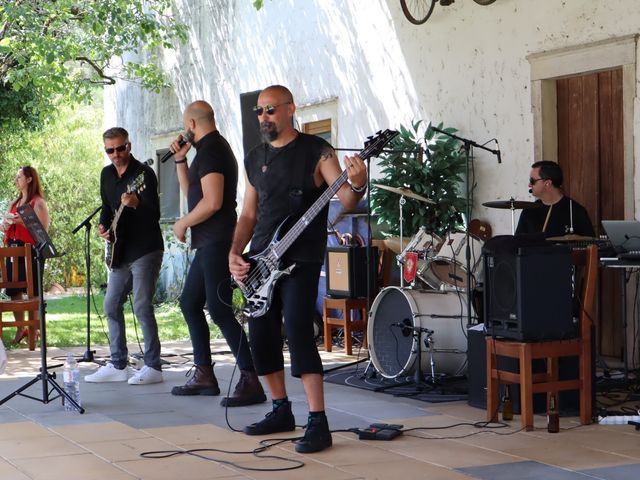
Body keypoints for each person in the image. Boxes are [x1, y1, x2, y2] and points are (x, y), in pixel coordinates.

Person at [229, 85, 367, 453]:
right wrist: (235, 252)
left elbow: (347, 199)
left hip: (301, 260)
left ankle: (318, 422)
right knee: (260, 335)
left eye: (270, 110)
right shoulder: (254, 157)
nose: (263, 118)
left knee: (298, 330)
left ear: (290, 109)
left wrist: (358, 180)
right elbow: (248, 214)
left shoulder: (316, 151)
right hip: (260, 260)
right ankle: (280, 410)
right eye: (259, 111)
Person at [167, 100, 265, 406]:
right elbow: (194, 195)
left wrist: (182, 222)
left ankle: (250, 379)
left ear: (193, 125)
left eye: (186, 126)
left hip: (216, 240)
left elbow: (212, 202)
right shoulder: (205, 151)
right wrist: (181, 162)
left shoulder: (212, 150)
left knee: (220, 309)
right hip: (207, 241)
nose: (185, 132)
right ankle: (204, 375)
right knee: (190, 303)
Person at [85, 127, 164, 385]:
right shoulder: (106, 174)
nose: (116, 154)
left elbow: (155, 215)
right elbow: (107, 208)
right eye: (110, 150)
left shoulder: (144, 174)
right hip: (121, 251)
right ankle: (118, 365)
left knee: (142, 306)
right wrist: (103, 226)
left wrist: (137, 204)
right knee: (110, 305)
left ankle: (153, 366)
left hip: (145, 249)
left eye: (121, 148)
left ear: (129, 146)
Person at [2, 166, 50, 344]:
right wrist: (6, 223)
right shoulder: (14, 202)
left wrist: (21, 221)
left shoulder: (38, 202)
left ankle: (34, 329)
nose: (16, 180)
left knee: (33, 292)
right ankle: (20, 328)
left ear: (29, 179)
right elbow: (5, 227)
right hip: (13, 250)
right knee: (14, 290)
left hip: (32, 251)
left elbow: (42, 230)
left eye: (19, 177)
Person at [515, 160, 595, 237]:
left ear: (547, 183)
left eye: (532, 181)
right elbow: (517, 245)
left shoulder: (576, 211)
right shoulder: (528, 211)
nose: (529, 185)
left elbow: (590, 244)